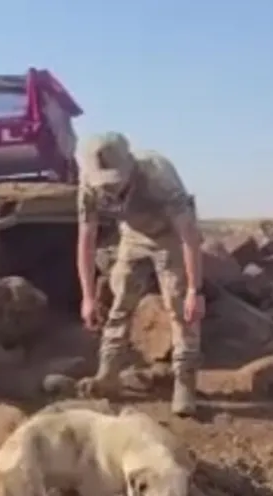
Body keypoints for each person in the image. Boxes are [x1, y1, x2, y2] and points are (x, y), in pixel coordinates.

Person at [75, 132, 205, 416]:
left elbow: (189, 237)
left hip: (169, 236)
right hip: (133, 236)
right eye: (104, 182)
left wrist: (195, 290)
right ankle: (108, 375)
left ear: (130, 165)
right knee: (121, 302)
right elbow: (86, 239)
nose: (109, 188)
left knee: (179, 306)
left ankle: (184, 380)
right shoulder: (89, 183)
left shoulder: (158, 176)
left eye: (115, 180)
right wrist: (86, 297)